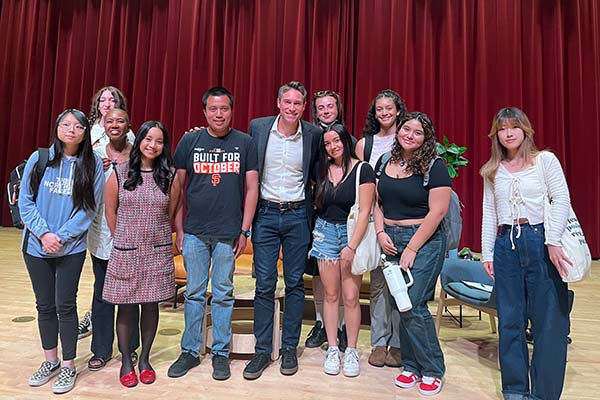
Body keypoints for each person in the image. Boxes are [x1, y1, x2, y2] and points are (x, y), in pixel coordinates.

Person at [167, 86, 259, 381]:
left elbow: (252, 189)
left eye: (224, 109)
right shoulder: (189, 140)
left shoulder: (245, 142)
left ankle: (220, 352)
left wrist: (244, 230)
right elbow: (177, 188)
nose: (219, 114)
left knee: (222, 294)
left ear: (232, 110)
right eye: (213, 109)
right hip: (194, 232)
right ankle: (190, 351)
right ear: (205, 111)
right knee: (193, 293)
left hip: (228, 234)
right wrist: (178, 229)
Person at [480, 107, 570, 400]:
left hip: (541, 240)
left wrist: (553, 240)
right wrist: (487, 254)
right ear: (497, 134)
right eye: (502, 128)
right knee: (510, 321)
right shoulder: (492, 170)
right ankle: (516, 390)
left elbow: (561, 199)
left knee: (549, 323)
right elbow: (489, 213)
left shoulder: (545, 161)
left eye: (514, 127)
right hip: (507, 245)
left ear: (525, 130)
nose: (509, 133)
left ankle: (544, 394)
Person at [19, 109, 104, 394]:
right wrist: (44, 233)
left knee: (65, 306)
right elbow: (25, 202)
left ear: (84, 132)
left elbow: (89, 209)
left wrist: (61, 237)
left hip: (71, 249)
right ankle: (50, 361)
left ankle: (68, 365)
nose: (71, 130)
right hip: (36, 247)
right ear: (57, 128)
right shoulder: (39, 158)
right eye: (65, 125)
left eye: (78, 126)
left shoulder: (92, 165)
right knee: (44, 305)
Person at [242, 81, 321, 380]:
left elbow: (321, 170)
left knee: (295, 284)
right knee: (264, 284)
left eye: (297, 103)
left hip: (298, 215)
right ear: (278, 103)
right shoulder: (258, 128)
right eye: (287, 102)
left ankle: (289, 347)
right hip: (265, 213)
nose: (292, 108)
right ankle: (262, 350)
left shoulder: (313, 134)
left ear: (303, 107)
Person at [374, 112, 450, 396]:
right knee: (398, 303)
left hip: (423, 239)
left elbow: (438, 211)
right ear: (399, 130)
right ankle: (411, 365)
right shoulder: (385, 162)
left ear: (426, 138)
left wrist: (413, 247)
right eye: (407, 128)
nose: (410, 135)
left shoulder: (435, 165)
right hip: (390, 239)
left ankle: (432, 369)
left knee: (413, 304)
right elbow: (377, 203)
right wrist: (381, 233)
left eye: (418, 132)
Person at [103, 121, 181, 387]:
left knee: (150, 306)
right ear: (139, 141)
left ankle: (145, 359)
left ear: (164, 146)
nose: (153, 145)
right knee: (125, 308)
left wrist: (153, 235)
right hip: (126, 249)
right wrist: (124, 238)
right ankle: (127, 361)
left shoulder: (170, 175)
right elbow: (110, 211)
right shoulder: (119, 172)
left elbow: (170, 213)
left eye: (159, 141)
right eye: (148, 139)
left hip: (156, 249)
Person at [310, 124, 375, 377]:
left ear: (346, 141)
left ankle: (352, 350)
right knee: (330, 294)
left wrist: (352, 246)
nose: (332, 146)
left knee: (350, 296)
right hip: (325, 233)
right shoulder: (322, 169)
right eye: (327, 143)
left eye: (336, 141)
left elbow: (365, 211)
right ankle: (333, 348)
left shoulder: (363, 169)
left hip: (350, 235)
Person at [79, 85, 135, 340]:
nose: (108, 103)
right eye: (104, 99)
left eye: (113, 100)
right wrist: (90, 164)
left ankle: (130, 346)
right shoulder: (85, 133)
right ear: (97, 104)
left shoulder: (132, 139)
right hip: (98, 217)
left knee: (128, 289)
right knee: (101, 284)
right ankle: (100, 346)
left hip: (127, 219)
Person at [85, 108, 140, 371]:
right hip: (102, 235)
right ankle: (101, 349)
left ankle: (130, 348)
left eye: (120, 121)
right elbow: (83, 191)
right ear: (103, 125)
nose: (115, 125)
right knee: (102, 293)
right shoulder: (94, 156)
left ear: (128, 125)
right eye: (110, 121)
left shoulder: (140, 154)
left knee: (131, 294)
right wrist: (96, 171)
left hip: (133, 235)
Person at [356, 89, 407, 368]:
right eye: (379, 109)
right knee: (378, 285)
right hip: (376, 220)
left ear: (398, 110)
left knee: (400, 285)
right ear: (374, 113)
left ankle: (398, 344)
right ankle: (378, 342)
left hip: (403, 221)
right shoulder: (365, 144)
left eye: (389, 108)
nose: (385, 113)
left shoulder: (410, 136)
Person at [304, 90, 350, 351]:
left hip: (343, 220)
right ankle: (321, 323)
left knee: (342, 276)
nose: (325, 111)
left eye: (330, 106)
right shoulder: (310, 139)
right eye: (320, 107)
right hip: (316, 217)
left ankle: (341, 326)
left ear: (338, 108)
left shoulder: (348, 139)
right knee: (318, 275)